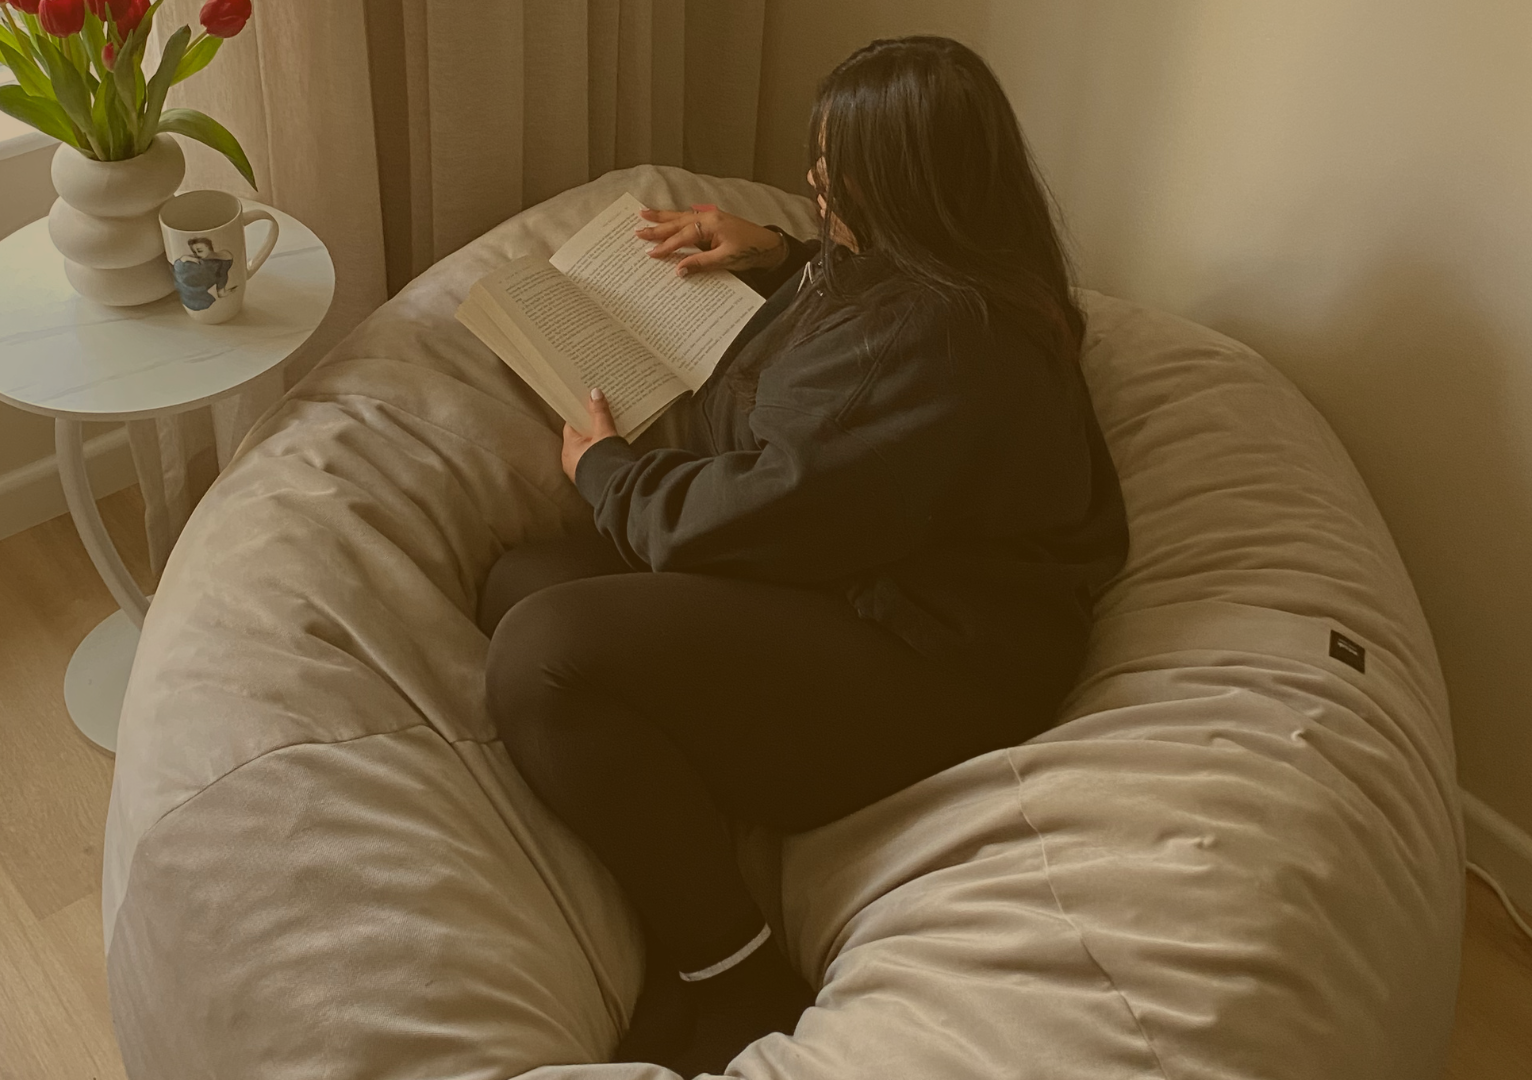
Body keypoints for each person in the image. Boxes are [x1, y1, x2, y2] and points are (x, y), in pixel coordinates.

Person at [479, 35, 1128, 1075]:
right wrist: (783, 252)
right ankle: (681, 835)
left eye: (837, 171)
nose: (815, 181)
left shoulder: (941, 345)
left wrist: (608, 473)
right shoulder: (950, 267)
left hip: (936, 659)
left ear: (911, 186)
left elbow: (753, 512)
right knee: (521, 584)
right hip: (863, 572)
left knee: (542, 653)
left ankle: (734, 972)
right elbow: (832, 455)